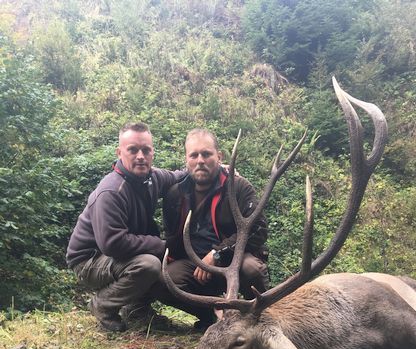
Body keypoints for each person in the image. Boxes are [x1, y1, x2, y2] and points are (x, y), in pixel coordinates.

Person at [66, 122, 184, 332]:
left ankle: (136, 308)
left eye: (146, 150)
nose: (140, 156)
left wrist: (218, 168)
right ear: (119, 153)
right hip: (88, 259)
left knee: (155, 257)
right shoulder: (111, 191)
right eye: (133, 150)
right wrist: (163, 245)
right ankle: (102, 305)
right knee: (149, 264)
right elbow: (113, 244)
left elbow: (178, 176)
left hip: (116, 254)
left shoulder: (152, 178)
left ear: (152, 153)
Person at [153, 128, 269, 328]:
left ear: (219, 156)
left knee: (252, 270)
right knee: (163, 280)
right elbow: (173, 237)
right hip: (196, 267)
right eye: (194, 155)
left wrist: (218, 253)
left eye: (206, 154)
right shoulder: (175, 195)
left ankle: (260, 318)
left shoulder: (239, 187)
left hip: (234, 262)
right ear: (186, 159)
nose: (200, 160)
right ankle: (212, 317)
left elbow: (257, 230)